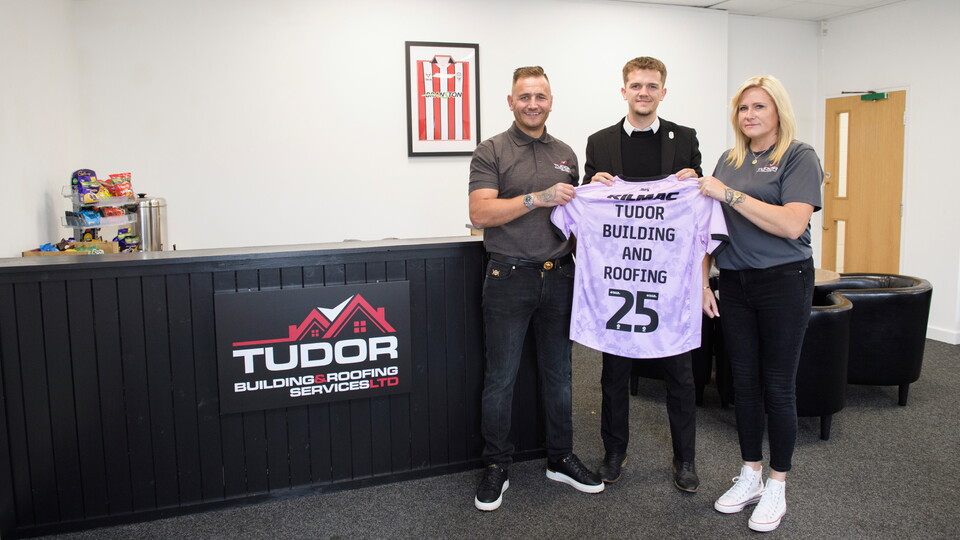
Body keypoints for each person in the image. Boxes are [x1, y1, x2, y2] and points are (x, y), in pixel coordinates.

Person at [468, 66, 604, 512]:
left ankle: (560, 457)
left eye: (540, 96)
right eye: (524, 96)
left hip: (560, 275)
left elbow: (578, 215)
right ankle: (496, 466)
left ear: (550, 100)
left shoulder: (565, 152)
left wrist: (602, 193)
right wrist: (536, 198)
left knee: (560, 375)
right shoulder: (491, 150)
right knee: (500, 378)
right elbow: (480, 213)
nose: (532, 103)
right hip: (508, 276)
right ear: (511, 101)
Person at [697, 75, 822, 533]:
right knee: (742, 384)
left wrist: (729, 193)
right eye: (744, 108)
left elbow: (792, 224)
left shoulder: (798, 155)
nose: (750, 115)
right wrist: (702, 281)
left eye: (759, 107)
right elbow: (711, 226)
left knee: (778, 385)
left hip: (784, 281)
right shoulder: (729, 159)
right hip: (734, 282)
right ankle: (750, 473)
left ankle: (777, 484)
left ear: (778, 112)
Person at [583, 56, 704, 492]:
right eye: (636, 85)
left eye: (652, 86)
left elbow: (696, 211)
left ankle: (684, 459)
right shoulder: (599, 142)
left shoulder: (685, 139)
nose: (644, 93)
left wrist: (695, 180)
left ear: (663, 92)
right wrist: (593, 183)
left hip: (669, 283)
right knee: (613, 372)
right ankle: (614, 453)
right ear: (624, 91)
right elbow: (590, 210)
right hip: (620, 277)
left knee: (680, 374)